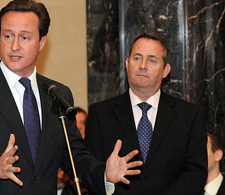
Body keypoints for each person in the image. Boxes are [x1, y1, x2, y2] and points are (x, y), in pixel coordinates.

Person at [0, 0, 143, 194]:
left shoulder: (55, 93)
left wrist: (104, 174)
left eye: (24, 37)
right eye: (8, 36)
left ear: (42, 42)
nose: (14, 46)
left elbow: (74, 157)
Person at [84, 32, 208, 194]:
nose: (143, 65)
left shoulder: (189, 116)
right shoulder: (100, 114)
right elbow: (89, 171)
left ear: (165, 70)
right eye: (137, 58)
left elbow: (196, 174)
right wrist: (106, 176)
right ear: (127, 64)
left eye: (152, 60)